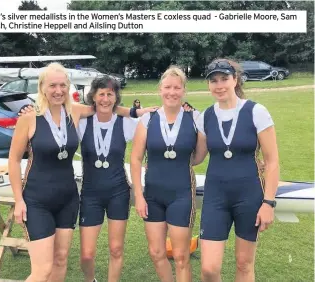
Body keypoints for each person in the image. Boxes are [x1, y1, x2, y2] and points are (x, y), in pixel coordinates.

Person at [9, 63, 149, 282]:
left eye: (62, 85)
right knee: (43, 269)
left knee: (61, 259)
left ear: (68, 87)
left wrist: (137, 111)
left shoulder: (74, 112)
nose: (58, 90)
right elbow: (13, 160)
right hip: (38, 199)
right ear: (42, 87)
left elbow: (106, 108)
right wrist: (19, 200)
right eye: (52, 85)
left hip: (68, 198)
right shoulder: (29, 118)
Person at [193, 59, 279, 282]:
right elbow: (197, 157)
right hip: (216, 197)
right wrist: (161, 156)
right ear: (209, 85)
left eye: (224, 79)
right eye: (214, 81)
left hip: (248, 196)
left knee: (243, 265)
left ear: (235, 80)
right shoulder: (206, 116)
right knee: (209, 269)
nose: (219, 85)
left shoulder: (256, 111)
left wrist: (268, 203)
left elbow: (272, 162)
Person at [77, 75, 156, 282]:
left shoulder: (126, 123)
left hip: (118, 192)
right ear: (93, 97)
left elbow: (152, 134)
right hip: (90, 193)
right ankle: (90, 280)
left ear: (116, 97)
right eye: (101, 94)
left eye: (110, 94)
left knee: (116, 249)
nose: (105, 99)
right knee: (86, 254)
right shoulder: (82, 122)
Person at [130, 66, 200, 282]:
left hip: (181, 194)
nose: (172, 92)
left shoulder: (195, 117)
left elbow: (199, 156)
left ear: (184, 91)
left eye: (177, 88)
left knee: (180, 255)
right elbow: (135, 158)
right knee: (157, 253)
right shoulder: (147, 120)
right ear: (160, 89)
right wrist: (139, 196)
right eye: (167, 87)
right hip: (152, 196)